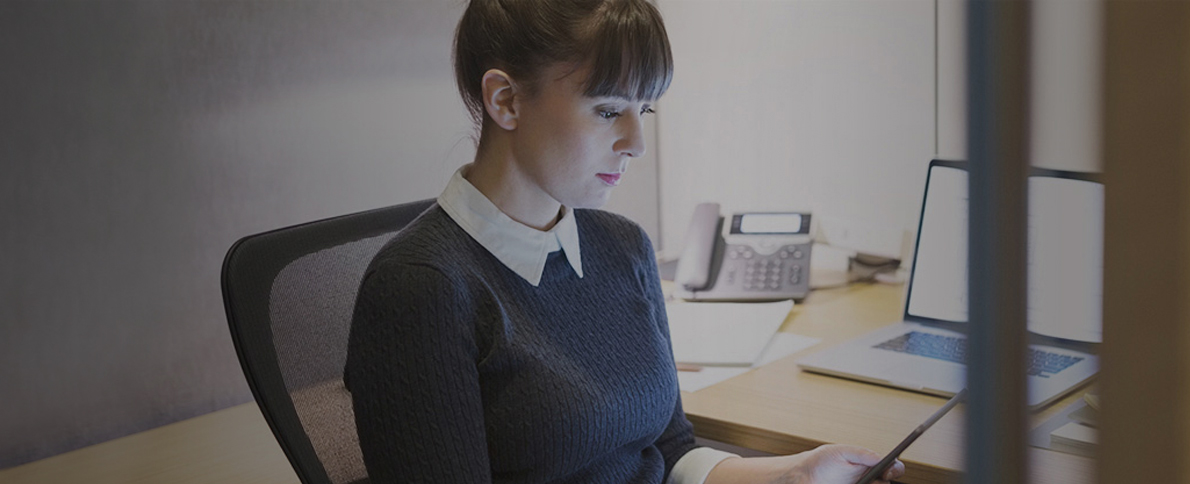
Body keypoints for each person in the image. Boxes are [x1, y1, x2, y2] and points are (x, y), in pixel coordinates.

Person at [343, 1, 905, 482]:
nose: (636, 142)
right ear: (506, 100)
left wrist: (793, 473)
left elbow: (670, 450)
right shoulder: (420, 291)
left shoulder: (623, 247)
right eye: (609, 110)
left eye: (645, 109)